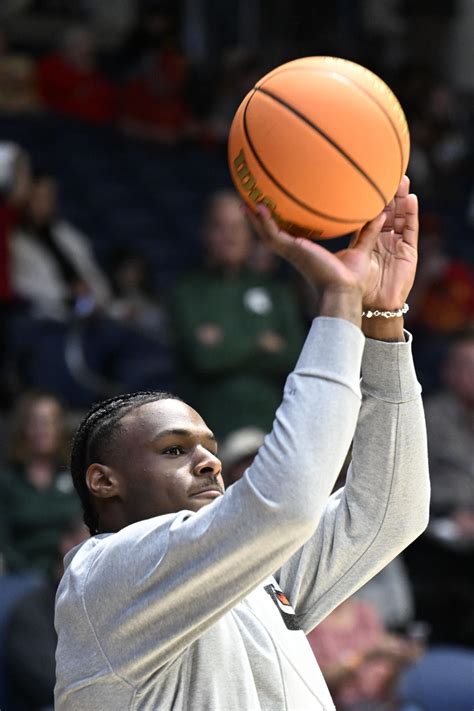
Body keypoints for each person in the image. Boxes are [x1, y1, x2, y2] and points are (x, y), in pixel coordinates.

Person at [55, 176, 430, 710]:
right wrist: (341, 300)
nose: (209, 462)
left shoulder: (250, 569)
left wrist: (383, 321)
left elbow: (390, 511)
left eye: (207, 446)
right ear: (103, 480)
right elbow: (287, 505)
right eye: (174, 449)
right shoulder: (103, 575)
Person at [170, 189, 306, 437]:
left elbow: (294, 358)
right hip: (211, 429)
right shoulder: (187, 291)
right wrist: (261, 341)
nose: (230, 237)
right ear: (204, 233)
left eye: (238, 227)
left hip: (273, 426)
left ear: (251, 235)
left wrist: (225, 343)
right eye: (219, 227)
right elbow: (205, 359)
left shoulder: (276, 292)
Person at [4, 518, 88, 711]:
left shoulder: (105, 605)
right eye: (92, 541)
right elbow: (48, 683)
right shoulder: (32, 610)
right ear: (67, 545)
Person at [0, 392, 80, 575]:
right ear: (23, 428)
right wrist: (34, 573)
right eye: (36, 422)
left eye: (50, 422)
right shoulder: (7, 482)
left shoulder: (76, 477)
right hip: (21, 576)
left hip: (70, 572)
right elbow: (4, 543)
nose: (43, 430)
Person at [307, 596, 422, 710]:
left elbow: (386, 679)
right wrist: (365, 656)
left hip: (382, 704)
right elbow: (322, 681)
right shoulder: (313, 622)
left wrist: (399, 661)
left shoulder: (365, 611)